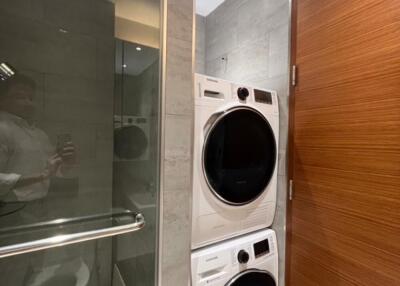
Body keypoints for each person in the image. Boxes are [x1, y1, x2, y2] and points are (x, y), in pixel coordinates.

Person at [0, 74, 76, 208]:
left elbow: (52, 172)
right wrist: (42, 175)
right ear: (2, 99)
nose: (28, 103)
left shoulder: (39, 134)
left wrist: (67, 164)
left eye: (30, 98)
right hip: (10, 207)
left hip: (42, 203)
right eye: (19, 97)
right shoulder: (2, 129)